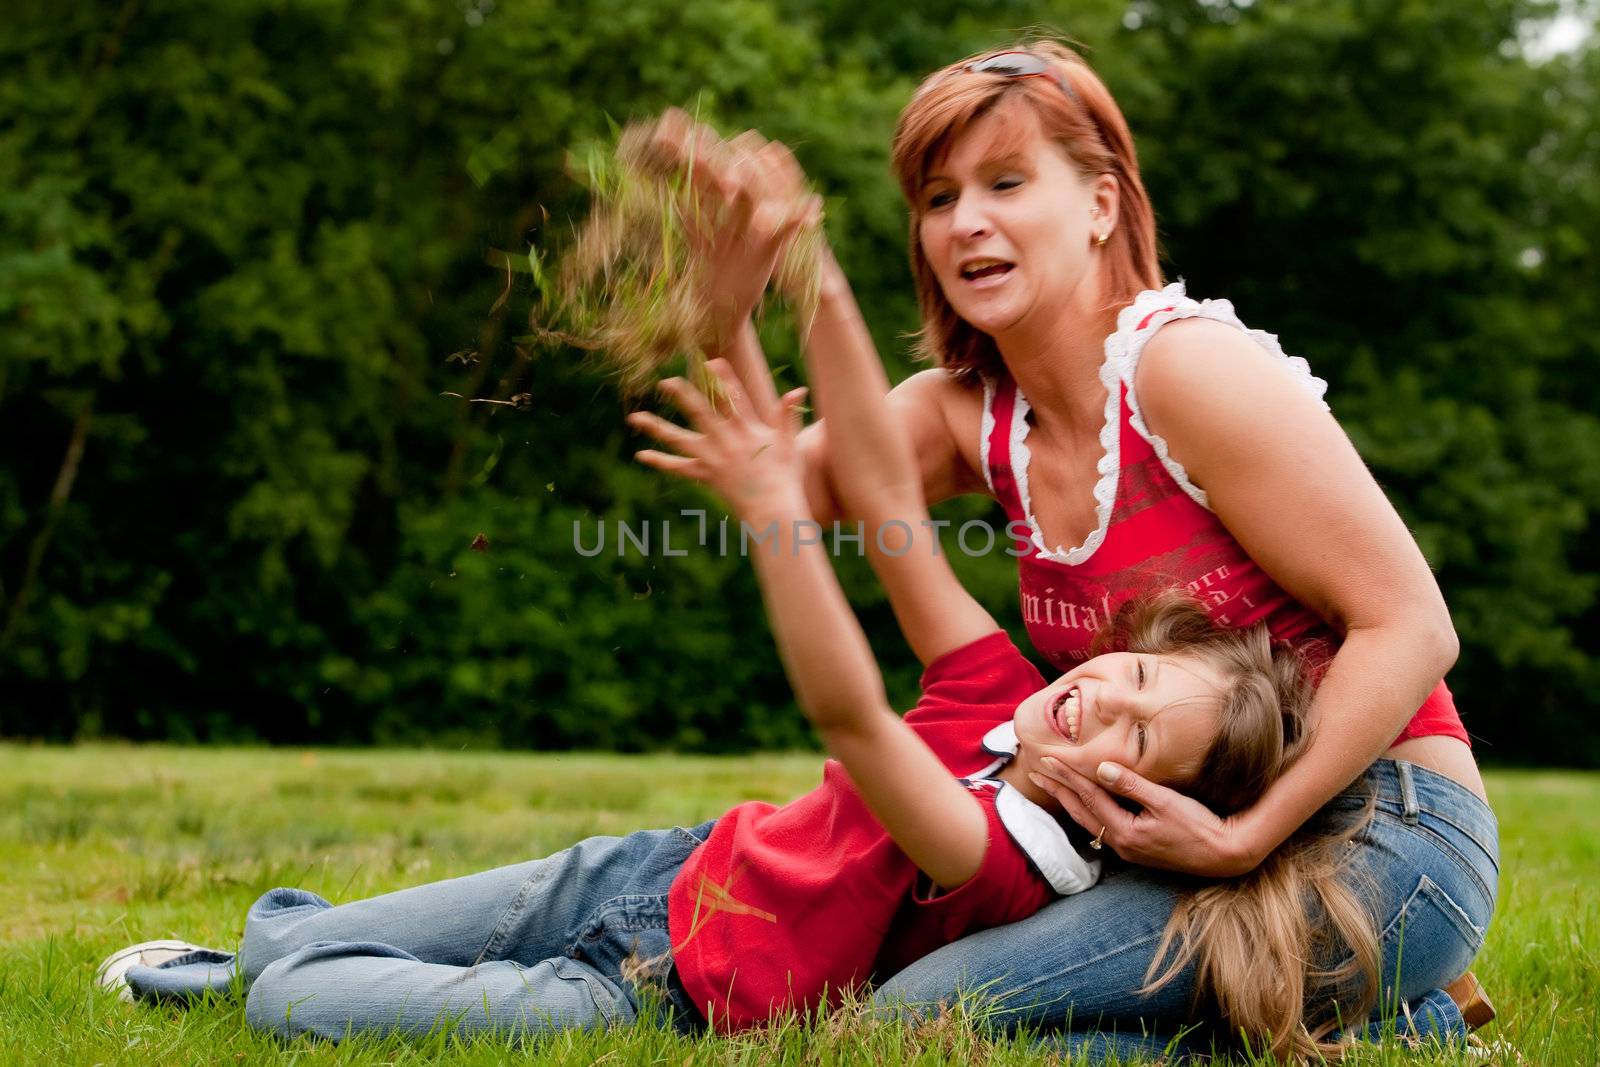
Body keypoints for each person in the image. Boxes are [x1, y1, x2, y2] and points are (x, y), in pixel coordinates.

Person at [98, 349, 1343, 1054]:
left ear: (1136, 813)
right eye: (1126, 677)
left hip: (645, 992)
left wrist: (772, 518)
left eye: (1137, 740)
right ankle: (271, 943)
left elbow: (853, 716)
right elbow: (895, 520)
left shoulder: (1000, 862)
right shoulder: (1007, 697)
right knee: (279, 943)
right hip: (642, 871)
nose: (1099, 709)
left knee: (288, 996)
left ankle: (273, 968)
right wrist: (809, 290)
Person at [653, 39, 1498, 1055]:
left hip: (1384, 827)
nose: (966, 219)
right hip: (1174, 843)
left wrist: (1246, 833)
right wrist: (733, 311)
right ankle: (1392, 1025)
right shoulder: (973, 417)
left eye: (1006, 182)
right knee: (930, 1014)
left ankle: (1399, 1016)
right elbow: (778, 488)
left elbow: (1411, 622)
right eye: (937, 196)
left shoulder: (1185, 369)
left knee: (922, 1016)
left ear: (1100, 204)